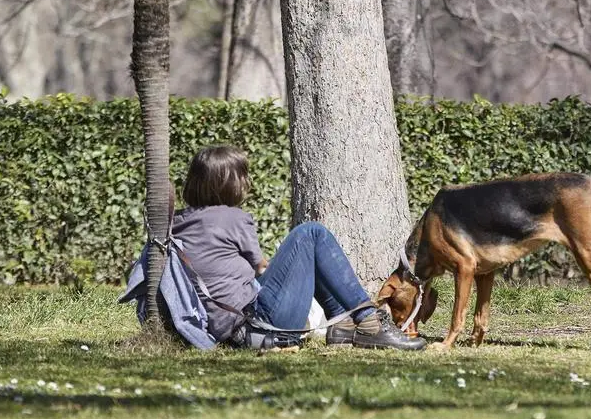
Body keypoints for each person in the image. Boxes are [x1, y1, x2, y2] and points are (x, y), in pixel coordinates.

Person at [172, 145, 427, 351]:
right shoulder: (233, 218)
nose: (247, 182)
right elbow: (260, 268)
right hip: (260, 325)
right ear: (230, 183)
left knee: (305, 250)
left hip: (224, 328)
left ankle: (343, 324)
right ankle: (368, 321)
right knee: (311, 233)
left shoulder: (179, 223)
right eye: (243, 176)